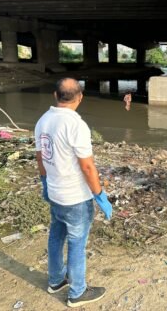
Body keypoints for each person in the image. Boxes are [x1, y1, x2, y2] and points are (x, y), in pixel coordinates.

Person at [35, 78, 112, 308]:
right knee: (77, 244)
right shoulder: (76, 125)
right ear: (80, 98)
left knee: (56, 236)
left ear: (55, 95)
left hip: (56, 194)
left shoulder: (43, 120)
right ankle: (77, 292)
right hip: (76, 198)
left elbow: (40, 158)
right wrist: (100, 195)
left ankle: (56, 280)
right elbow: (87, 167)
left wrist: (45, 183)